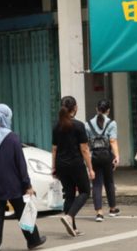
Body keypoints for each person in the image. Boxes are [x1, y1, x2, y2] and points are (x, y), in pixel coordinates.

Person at [0, 104, 47, 251]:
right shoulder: (12, 138)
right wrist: (28, 185)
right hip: (13, 183)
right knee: (23, 212)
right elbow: (20, 163)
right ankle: (33, 240)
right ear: (7, 117)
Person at [51, 96, 94, 237]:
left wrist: (53, 167)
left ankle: (73, 227)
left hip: (61, 165)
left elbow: (54, 149)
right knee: (85, 192)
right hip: (75, 164)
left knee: (69, 194)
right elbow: (84, 149)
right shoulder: (79, 125)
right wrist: (90, 168)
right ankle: (69, 217)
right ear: (75, 108)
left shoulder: (57, 126)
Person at [86, 99, 120, 222]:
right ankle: (112, 209)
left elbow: (86, 144)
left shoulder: (88, 124)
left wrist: (87, 160)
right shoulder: (111, 123)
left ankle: (99, 213)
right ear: (108, 110)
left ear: (96, 109)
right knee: (109, 182)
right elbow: (113, 141)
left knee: (96, 184)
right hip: (106, 156)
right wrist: (116, 156)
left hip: (94, 156)